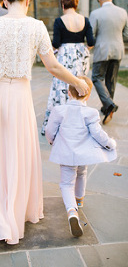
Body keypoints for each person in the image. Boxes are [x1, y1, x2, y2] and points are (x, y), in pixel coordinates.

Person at [0, 0, 88, 245]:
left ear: (5, 1)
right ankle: (15, 212)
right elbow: (53, 66)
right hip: (19, 97)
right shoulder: (36, 27)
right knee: (17, 153)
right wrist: (77, 82)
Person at [44, 76, 117, 237]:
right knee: (82, 173)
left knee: (66, 183)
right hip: (84, 154)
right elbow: (98, 134)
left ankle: (72, 212)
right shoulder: (90, 113)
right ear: (88, 95)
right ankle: (79, 200)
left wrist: (52, 141)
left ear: (69, 93)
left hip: (66, 153)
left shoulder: (59, 110)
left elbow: (49, 130)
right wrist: (110, 144)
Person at [41, 0, 95, 135]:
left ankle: (59, 123)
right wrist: (82, 49)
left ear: (63, 5)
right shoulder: (85, 20)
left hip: (65, 56)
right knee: (78, 87)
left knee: (61, 87)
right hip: (80, 57)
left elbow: (56, 43)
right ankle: (78, 123)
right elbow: (91, 42)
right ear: (76, 4)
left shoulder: (59, 21)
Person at [89, 0, 128, 125]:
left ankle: (109, 104)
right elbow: (126, 34)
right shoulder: (123, 12)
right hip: (118, 50)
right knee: (111, 80)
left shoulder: (95, 13)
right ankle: (107, 108)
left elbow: (91, 34)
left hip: (102, 50)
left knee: (96, 77)